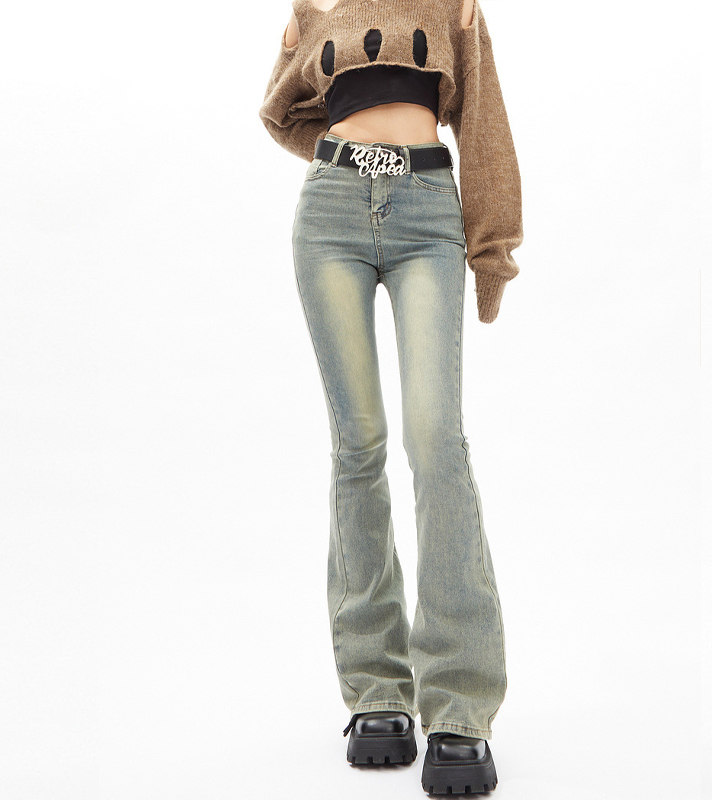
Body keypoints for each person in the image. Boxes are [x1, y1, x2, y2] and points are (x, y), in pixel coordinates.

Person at [258, 0, 523, 793]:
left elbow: (483, 125)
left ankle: (460, 705)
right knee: (358, 444)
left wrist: (492, 251)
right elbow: (280, 112)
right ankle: (376, 691)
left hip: (426, 213)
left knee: (435, 439)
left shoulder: (453, 5)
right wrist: (347, 155)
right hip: (330, 216)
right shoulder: (314, 9)